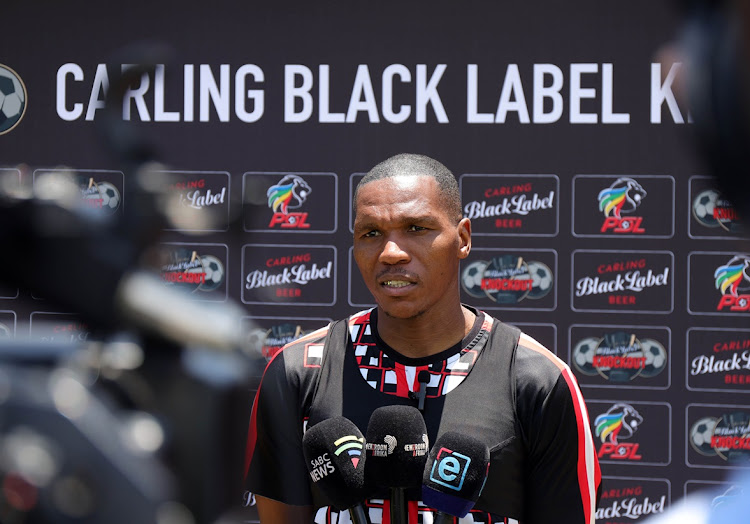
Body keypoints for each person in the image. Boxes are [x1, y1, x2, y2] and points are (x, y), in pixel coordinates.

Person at [244, 153, 601, 523]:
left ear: (462, 239)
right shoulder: (296, 374)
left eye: (416, 228)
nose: (391, 253)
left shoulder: (538, 381)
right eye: (371, 233)